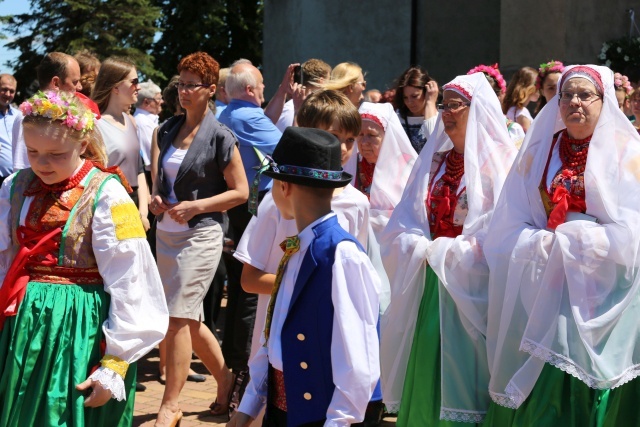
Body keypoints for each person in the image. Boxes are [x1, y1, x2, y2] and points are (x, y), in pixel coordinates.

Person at [0, 90, 168, 426]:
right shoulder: (14, 187)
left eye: (56, 154)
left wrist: (115, 362)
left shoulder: (108, 193)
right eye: (32, 152)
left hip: (80, 330)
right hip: (21, 325)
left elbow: (130, 277)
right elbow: (5, 257)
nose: (42, 163)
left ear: (82, 144)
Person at [484, 65, 640, 426]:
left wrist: (580, 237)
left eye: (585, 95)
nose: (574, 102)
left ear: (604, 102)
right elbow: (510, 220)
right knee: (547, 389)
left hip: (605, 288)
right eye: (567, 95)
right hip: (547, 284)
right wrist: (539, 243)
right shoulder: (541, 150)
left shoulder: (626, 153)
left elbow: (633, 229)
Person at [234, 90, 385, 426]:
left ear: (285, 187)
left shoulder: (343, 254)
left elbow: (357, 357)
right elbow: (272, 338)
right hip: (284, 400)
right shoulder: (296, 249)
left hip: (323, 407)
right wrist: (247, 408)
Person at [380, 73, 517, 426]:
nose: (447, 112)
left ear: (479, 111)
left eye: (456, 105)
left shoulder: (498, 166)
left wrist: (449, 251)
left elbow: (503, 232)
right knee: (429, 364)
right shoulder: (434, 164)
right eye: (445, 104)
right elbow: (404, 220)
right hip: (431, 284)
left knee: (466, 374)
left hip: (471, 290)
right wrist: (420, 246)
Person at [149, 51, 248, 426]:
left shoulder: (221, 135)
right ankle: (225, 378)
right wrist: (159, 200)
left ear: (210, 90)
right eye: (182, 84)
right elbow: (163, 183)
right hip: (166, 235)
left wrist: (196, 206)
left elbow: (240, 192)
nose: (184, 91)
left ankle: (170, 404)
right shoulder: (166, 129)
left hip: (202, 235)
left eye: (193, 85)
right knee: (187, 319)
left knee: (176, 317)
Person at [218, 61, 283, 393]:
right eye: (260, 85)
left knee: (238, 287)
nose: (263, 89)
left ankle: (232, 364)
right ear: (248, 89)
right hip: (254, 207)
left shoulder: (225, 114)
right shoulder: (248, 117)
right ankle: (242, 368)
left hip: (235, 207)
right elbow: (289, 147)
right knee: (248, 291)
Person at [91, 57, 150, 230]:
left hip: (135, 204)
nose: (138, 87)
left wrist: (143, 212)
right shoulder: (95, 125)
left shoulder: (130, 121)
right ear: (115, 87)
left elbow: (139, 170)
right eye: (134, 82)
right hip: (110, 206)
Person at [355, 102, 417, 238]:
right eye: (360, 134)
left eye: (371, 135)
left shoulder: (406, 169)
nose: (364, 142)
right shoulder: (353, 165)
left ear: (387, 136)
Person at [12, 52, 83, 170]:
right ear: (56, 82)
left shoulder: (69, 114)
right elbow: (22, 167)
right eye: (75, 82)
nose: (79, 87)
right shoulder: (30, 115)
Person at [467, 64, 525, 148]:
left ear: (499, 96)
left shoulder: (513, 130)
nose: (479, 102)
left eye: (484, 95)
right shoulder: (465, 128)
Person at [274, 58, 332, 132]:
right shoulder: (291, 109)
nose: (331, 86)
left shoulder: (289, 107)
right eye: (329, 80)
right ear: (321, 81)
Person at [393, 66, 439, 153]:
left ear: (426, 92)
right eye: (405, 97)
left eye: (414, 96)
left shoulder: (439, 116)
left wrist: (430, 102)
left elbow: (434, 141)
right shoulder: (397, 117)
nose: (409, 102)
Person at [133, 79, 163, 175]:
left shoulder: (146, 121)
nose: (162, 101)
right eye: (158, 99)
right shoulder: (143, 124)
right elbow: (151, 160)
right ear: (146, 102)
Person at [503, 66, 539, 132]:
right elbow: (527, 140)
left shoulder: (511, 109)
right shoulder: (521, 113)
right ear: (530, 87)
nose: (540, 89)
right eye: (538, 84)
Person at [0, 74, 18, 184]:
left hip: (17, 180)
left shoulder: (19, 116)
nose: (7, 94)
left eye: (11, 91)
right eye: (4, 89)